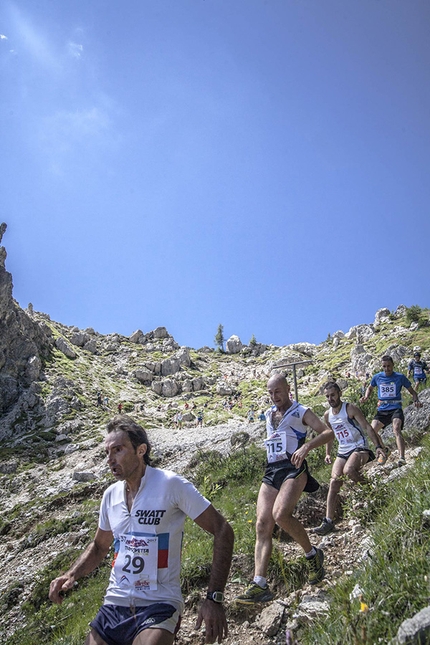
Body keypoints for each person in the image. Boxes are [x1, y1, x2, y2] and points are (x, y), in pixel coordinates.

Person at [49, 415, 234, 645]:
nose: (110, 459)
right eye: (107, 453)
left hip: (159, 604)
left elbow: (223, 530)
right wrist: (71, 574)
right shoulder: (110, 496)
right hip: (115, 604)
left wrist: (214, 598)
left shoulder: (171, 485)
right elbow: (99, 547)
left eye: (118, 450)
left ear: (141, 450)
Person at [235, 374, 334, 604]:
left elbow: (327, 432)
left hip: (294, 467)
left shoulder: (301, 410)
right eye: (270, 392)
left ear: (288, 390)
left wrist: (307, 447)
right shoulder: (269, 414)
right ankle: (259, 583)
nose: (274, 396)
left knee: (280, 515)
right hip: (272, 470)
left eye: (278, 391)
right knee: (262, 523)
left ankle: (312, 555)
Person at [312, 382, 387, 536]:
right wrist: (327, 453)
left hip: (359, 446)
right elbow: (331, 435)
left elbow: (367, 427)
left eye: (332, 395)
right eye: (327, 396)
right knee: (334, 481)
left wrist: (378, 446)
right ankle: (328, 521)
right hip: (343, 450)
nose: (330, 399)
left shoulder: (350, 409)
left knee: (349, 470)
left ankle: (374, 494)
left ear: (339, 393)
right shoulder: (328, 415)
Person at [361, 356, 422, 467]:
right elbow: (370, 388)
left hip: (395, 409)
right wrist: (366, 397)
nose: (387, 368)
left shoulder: (400, 377)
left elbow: (412, 392)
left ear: (393, 365)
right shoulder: (377, 377)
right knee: (372, 430)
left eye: (389, 366)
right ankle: (385, 451)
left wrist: (416, 400)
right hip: (382, 410)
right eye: (384, 366)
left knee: (396, 429)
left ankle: (402, 458)